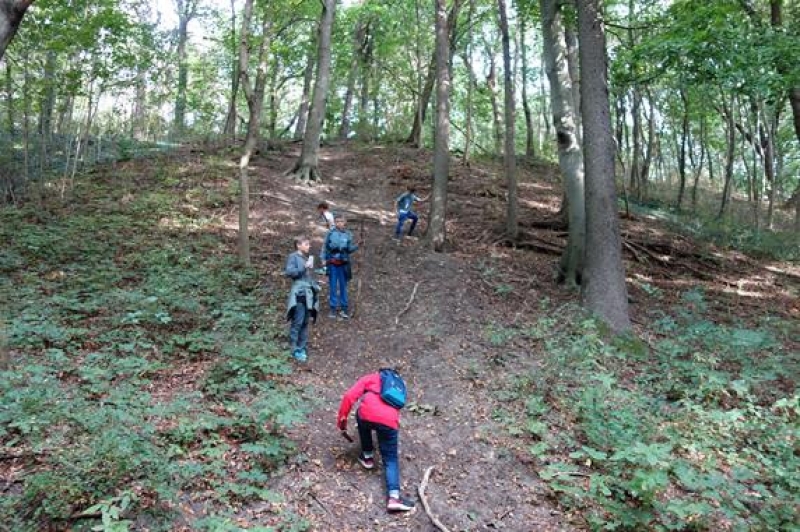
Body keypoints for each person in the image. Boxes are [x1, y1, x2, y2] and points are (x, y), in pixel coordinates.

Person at [337, 371, 416, 513]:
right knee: (390, 458)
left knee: (361, 415)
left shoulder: (371, 378)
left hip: (367, 415)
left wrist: (342, 422)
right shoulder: (399, 384)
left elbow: (349, 396)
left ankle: (367, 456)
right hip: (389, 422)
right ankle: (394, 498)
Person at [284, 236, 319, 362]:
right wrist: (304, 267)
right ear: (298, 245)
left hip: (308, 294)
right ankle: (294, 349)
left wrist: (315, 284)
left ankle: (302, 347)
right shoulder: (293, 257)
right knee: (297, 322)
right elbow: (289, 272)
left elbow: (308, 276)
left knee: (305, 322)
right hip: (299, 293)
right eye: (306, 244)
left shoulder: (306, 258)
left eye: (309, 244)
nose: (309, 246)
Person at [320, 214, 358, 319]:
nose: (339, 223)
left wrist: (357, 246)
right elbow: (324, 247)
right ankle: (333, 308)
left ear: (345, 222)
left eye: (341, 221)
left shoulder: (348, 234)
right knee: (332, 286)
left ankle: (344, 308)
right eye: (337, 221)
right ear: (335, 223)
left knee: (343, 286)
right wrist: (323, 259)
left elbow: (349, 249)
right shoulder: (330, 233)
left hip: (343, 264)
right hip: (332, 263)